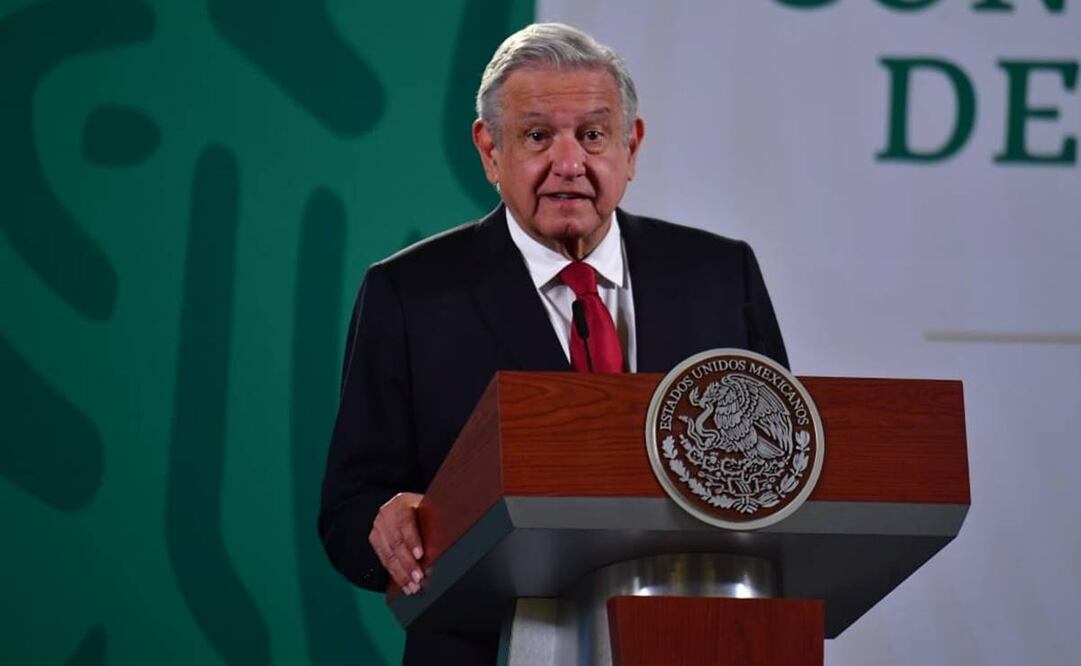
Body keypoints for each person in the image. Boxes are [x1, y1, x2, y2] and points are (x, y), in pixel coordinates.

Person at [319, 22, 788, 666]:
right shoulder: (409, 295)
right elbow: (350, 508)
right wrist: (388, 526)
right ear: (490, 150)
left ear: (632, 146)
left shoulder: (720, 275)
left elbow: (785, 478)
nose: (569, 165)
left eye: (593, 135)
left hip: (699, 642)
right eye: (538, 136)